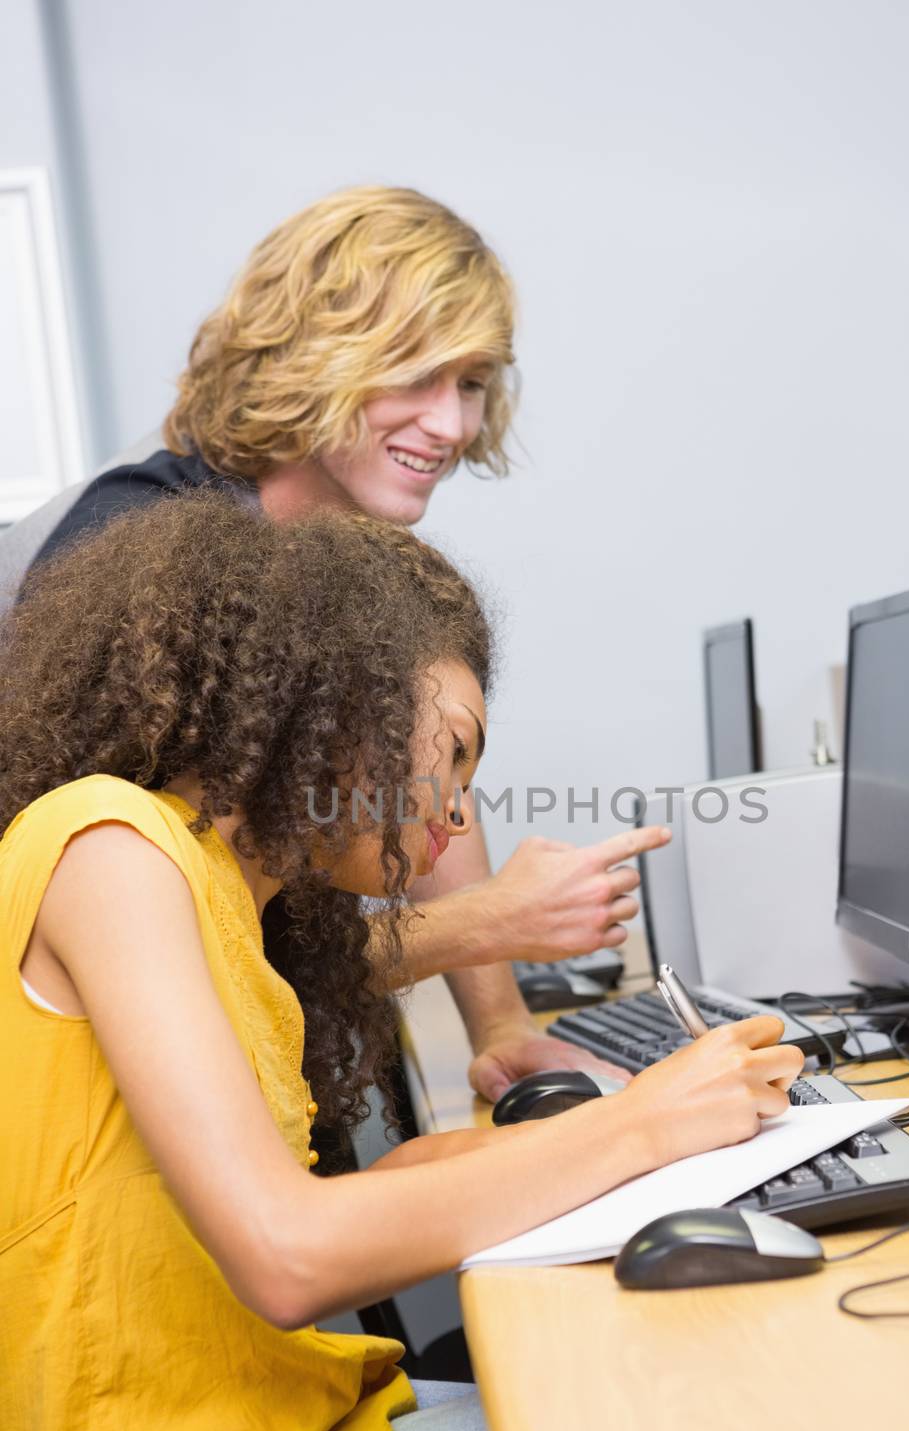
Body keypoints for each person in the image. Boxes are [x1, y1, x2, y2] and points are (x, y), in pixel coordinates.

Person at [0, 493, 802, 1431]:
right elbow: (287, 1254)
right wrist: (638, 1124)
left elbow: (390, 1181)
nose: (452, 817)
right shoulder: (112, 846)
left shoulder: (224, 903)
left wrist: (674, 1122)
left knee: (641, 1382)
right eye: (453, 753)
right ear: (340, 693)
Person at [14, 184, 668, 1104]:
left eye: (471, 384)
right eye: (413, 376)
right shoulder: (154, 568)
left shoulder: (351, 563)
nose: (449, 425)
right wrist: (484, 922)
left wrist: (502, 1027)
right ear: (311, 356)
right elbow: (193, 953)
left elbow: (426, 764)